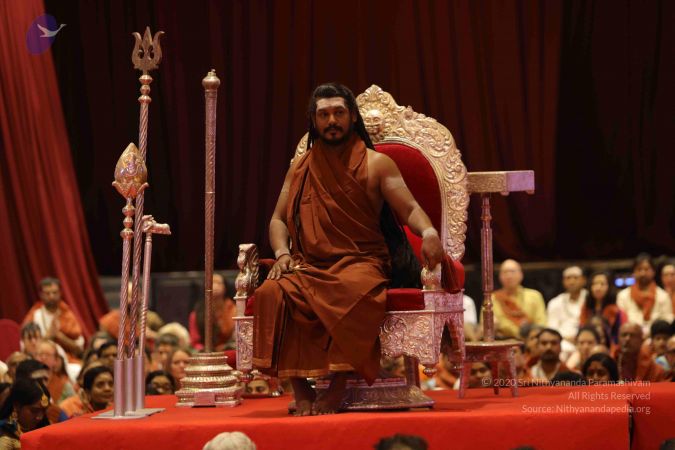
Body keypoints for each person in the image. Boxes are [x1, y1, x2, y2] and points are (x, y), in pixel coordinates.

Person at [252, 83, 452, 416]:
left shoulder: (377, 164)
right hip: (309, 264)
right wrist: (283, 254)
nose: (332, 120)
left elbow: (410, 209)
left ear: (353, 117)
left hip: (361, 262)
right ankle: (300, 387)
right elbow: (277, 220)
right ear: (313, 120)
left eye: (339, 113)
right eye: (324, 114)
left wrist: (429, 231)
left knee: (353, 289)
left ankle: (339, 384)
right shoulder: (299, 169)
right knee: (271, 292)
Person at [22, 277, 85, 360]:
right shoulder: (35, 315)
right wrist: (48, 336)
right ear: (41, 295)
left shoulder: (67, 314)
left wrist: (60, 336)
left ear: (60, 293)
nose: (51, 296)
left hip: (66, 359)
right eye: (47, 293)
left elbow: (79, 349)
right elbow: (26, 346)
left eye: (54, 293)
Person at [617, 254, 673, 333]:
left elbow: (668, 320)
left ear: (653, 272)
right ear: (633, 272)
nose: (643, 273)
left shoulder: (663, 296)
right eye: (639, 269)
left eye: (646, 269)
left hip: (655, 337)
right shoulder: (623, 296)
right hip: (631, 336)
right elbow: (622, 322)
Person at [492, 260, 546, 339]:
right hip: (504, 341)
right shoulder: (492, 298)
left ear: (521, 275)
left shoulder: (535, 295)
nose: (509, 276)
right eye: (505, 272)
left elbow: (541, 323)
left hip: (532, 341)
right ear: (500, 276)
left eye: (512, 271)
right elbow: (488, 326)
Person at [189, 273, 236, 351]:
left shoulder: (234, 310)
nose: (215, 286)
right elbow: (195, 341)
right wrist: (206, 351)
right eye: (212, 282)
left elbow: (236, 338)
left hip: (229, 350)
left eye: (218, 283)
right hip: (205, 352)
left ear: (225, 287)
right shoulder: (196, 314)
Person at [0, 379, 50, 448]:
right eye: (34, 411)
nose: (40, 417)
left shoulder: (44, 431)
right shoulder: (3, 432)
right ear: (17, 406)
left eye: (44, 411)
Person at [547, 266, 588, 348]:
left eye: (575, 278)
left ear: (583, 280)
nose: (572, 282)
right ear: (563, 281)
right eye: (568, 278)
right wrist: (566, 338)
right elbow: (552, 329)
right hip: (562, 342)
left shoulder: (590, 299)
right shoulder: (555, 302)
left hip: (586, 340)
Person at [580, 272, 623, 344]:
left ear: (609, 286)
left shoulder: (615, 310)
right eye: (595, 284)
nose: (598, 288)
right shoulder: (585, 308)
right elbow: (582, 329)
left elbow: (616, 336)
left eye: (602, 284)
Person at [35, 340, 76, 405]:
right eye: (40, 354)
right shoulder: (30, 383)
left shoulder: (65, 386)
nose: (43, 358)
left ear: (55, 360)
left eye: (47, 355)